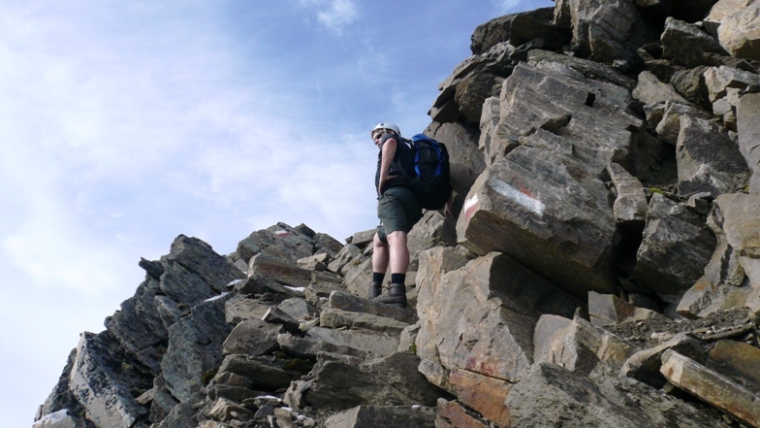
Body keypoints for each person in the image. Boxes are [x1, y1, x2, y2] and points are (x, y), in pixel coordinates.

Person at [368, 122, 422, 309]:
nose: (376, 141)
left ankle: (397, 291)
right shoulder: (409, 150)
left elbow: (389, 143)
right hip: (412, 202)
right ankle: (374, 290)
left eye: (377, 136)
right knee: (379, 238)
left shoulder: (390, 138)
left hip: (393, 196)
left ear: (387, 131)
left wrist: (382, 177)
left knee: (395, 237)